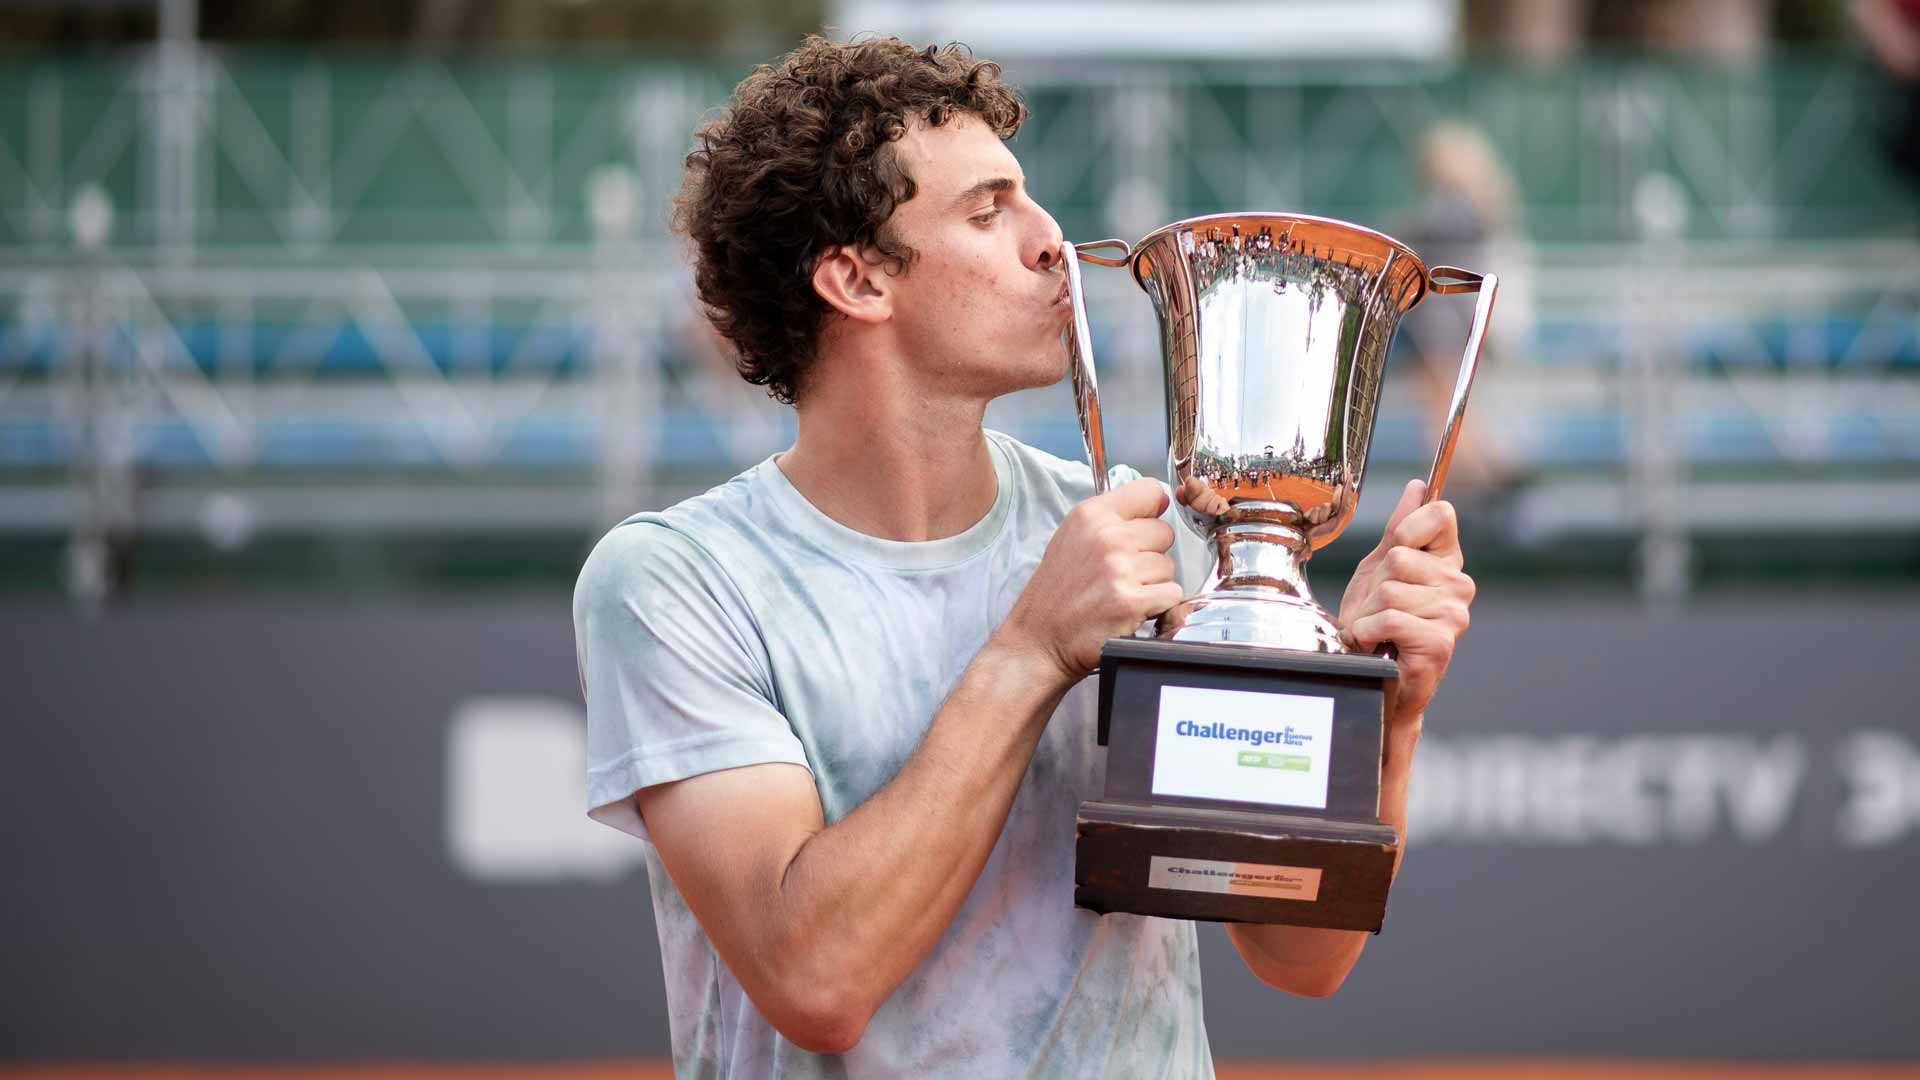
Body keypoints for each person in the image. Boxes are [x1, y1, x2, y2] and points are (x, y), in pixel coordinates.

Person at [573, 35, 1474, 1079]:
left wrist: (1383, 719)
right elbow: (815, 979)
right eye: (987, 210)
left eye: (1031, 199)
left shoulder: (1139, 535)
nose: (1052, 240)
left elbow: (1299, 952)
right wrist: (1032, 652)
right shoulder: (676, 582)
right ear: (856, 279)